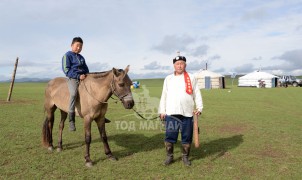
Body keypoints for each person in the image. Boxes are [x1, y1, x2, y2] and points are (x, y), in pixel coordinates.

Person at [158, 55, 203, 166]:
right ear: (174, 65)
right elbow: (164, 95)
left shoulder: (191, 77)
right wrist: (162, 111)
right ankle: (169, 157)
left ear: (185, 65)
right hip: (171, 113)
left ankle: (185, 157)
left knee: (187, 137)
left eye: (182, 63)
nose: (179, 66)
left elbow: (197, 93)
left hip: (187, 113)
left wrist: (199, 107)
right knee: (170, 136)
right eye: (177, 64)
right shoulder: (168, 78)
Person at [62, 37, 110, 131]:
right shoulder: (67, 56)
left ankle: (100, 116)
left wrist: (89, 76)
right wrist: (78, 76)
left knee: (97, 91)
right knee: (73, 94)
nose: (79, 48)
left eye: (81, 46)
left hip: (85, 77)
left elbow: (86, 69)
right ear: (72, 45)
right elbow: (66, 70)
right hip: (73, 78)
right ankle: (71, 119)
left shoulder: (81, 58)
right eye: (77, 46)